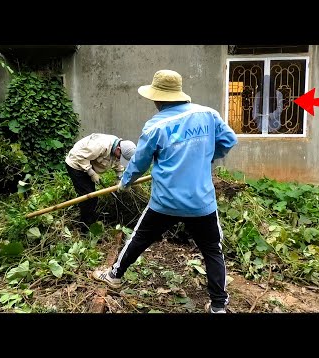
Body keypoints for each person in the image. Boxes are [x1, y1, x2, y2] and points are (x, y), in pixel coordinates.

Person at [92, 69, 238, 313]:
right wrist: (208, 157)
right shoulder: (208, 115)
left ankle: (114, 276)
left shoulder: (155, 125)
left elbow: (139, 162)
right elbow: (229, 141)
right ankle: (218, 306)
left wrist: (125, 182)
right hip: (200, 202)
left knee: (139, 238)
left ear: (159, 98)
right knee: (213, 250)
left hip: (165, 202)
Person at [65, 133, 136, 233]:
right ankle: (85, 229)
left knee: (91, 196)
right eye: (120, 155)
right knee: (88, 197)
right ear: (118, 149)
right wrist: (91, 172)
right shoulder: (101, 145)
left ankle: (90, 218)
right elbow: (79, 156)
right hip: (76, 165)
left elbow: (117, 162)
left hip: (88, 164)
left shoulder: (117, 148)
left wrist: (120, 176)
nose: (120, 158)